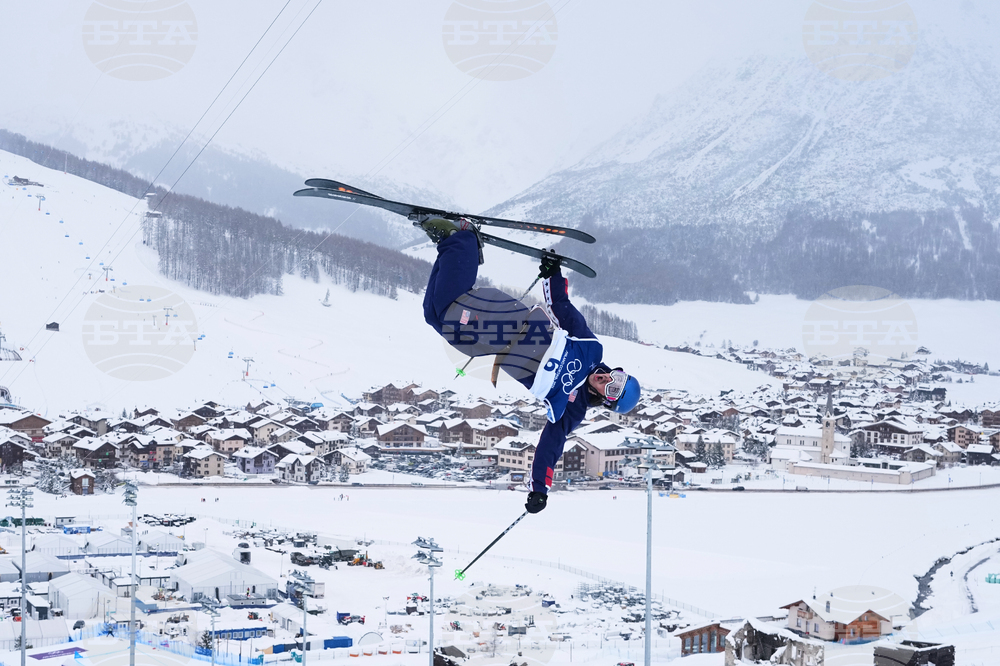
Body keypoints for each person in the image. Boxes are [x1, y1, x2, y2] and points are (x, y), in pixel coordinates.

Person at [421, 218, 641, 514]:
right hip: (508, 322)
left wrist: (540, 488)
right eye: (617, 375)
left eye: (612, 387)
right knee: (449, 308)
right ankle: (463, 240)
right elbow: (564, 311)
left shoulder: (570, 408)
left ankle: (453, 246)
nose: (607, 378)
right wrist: (553, 276)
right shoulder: (589, 350)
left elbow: (551, 445)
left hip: (493, 346)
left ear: (606, 399)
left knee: (435, 316)